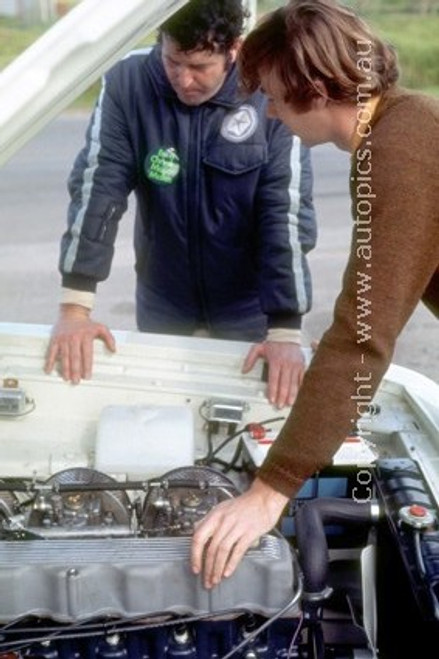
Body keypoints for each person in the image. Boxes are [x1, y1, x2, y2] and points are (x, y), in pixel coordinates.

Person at [191, 0, 439, 588]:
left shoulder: (399, 152)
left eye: (275, 95)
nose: (271, 113)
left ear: (317, 88)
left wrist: (270, 489)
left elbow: (362, 337)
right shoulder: (403, 126)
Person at [44, 0, 317, 410]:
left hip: (248, 308)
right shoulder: (127, 84)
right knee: (164, 418)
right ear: (160, 41)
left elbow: (286, 213)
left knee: (240, 422)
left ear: (234, 50)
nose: (183, 80)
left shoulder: (270, 93)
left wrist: (284, 331)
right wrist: (75, 308)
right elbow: (98, 189)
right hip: (162, 300)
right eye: (173, 62)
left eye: (199, 67)